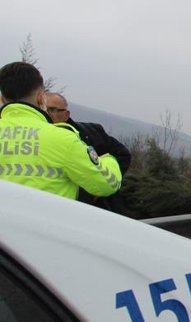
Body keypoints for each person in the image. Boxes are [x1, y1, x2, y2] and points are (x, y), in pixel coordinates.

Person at [0, 62, 122, 200]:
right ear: (41, 98)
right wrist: (109, 160)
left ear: (2, 99)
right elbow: (107, 184)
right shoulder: (64, 139)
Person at [45, 92, 132, 213]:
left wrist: (98, 189)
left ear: (66, 115)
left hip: (96, 210)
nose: (47, 114)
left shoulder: (92, 132)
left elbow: (123, 155)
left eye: (52, 110)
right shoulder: (38, 139)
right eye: (44, 110)